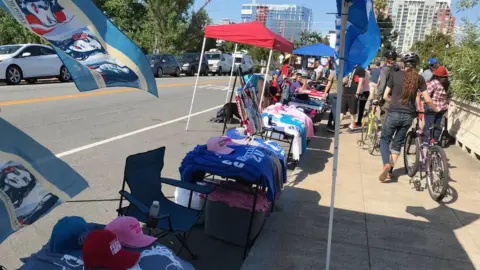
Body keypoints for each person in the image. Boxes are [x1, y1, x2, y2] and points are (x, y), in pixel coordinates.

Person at [379, 52, 440, 182]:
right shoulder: (419, 78)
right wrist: (436, 109)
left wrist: (394, 102)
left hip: (393, 112)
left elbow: (385, 96)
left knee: (384, 139)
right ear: (416, 65)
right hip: (408, 116)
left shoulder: (395, 75)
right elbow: (428, 99)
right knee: (397, 143)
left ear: (403, 64)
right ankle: (390, 170)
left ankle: (386, 164)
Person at [424, 66, 450, 142]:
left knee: (430, 128)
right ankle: (434, 145)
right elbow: (448, 96)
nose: (443, 79)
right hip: (440, 109)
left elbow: (426, 95)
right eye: (443, 77)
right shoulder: (447, 84)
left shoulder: (434, 82)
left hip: (432, 108)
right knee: (437, 128)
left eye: (444, 77)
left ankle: (427, 145)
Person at [340, 64, 365, 130]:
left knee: (342, 111)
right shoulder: (361, 69)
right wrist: (357, 93)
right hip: (352, 92)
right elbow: (360, 82)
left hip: (345, 91)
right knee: (352, 111)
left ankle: (337, 124)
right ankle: (352, 125)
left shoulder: (347, 67)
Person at [377, 51, 400, 121]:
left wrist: (378, 96)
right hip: (398, 95)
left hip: (387, 95)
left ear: (386, 59)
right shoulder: (398, 69)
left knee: (384, 114)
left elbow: (382, 84)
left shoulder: (385, 69)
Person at [325, 60, 337, 132]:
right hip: (340, 93)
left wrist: (325, 93)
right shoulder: (345, 73)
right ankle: (330, 123)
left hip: (332, 92)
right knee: (335, 109)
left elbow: (329, 84)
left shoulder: (333, 73)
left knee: (333, 109)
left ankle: (333, 125)